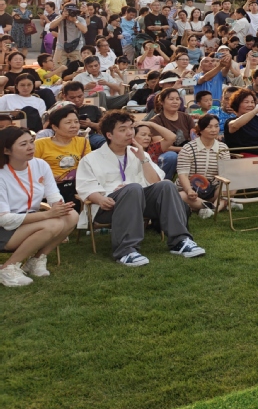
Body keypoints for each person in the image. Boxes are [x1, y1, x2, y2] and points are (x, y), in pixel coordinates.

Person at [75, 111, 205, 265]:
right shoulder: (91, 159)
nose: (129, 133)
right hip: (107, 206)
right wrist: (101, 199)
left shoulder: (138, 153)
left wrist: (143, 159)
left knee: (166, 185)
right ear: (109, 135)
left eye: (131, 128)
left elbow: (155, 181)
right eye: (123, 130)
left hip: (140, 201)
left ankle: (180, 241)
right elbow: (85, 187)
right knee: (133, 188)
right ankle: (126, 250)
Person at [0, 127, 78, 286]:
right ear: (6, 150)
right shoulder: (2, 174)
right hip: (5, 228)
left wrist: (59, 207)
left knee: (72, 216)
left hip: (29, 220)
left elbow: (53, 194)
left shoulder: (40, 164)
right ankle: (8, 269)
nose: (30, 147)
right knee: (52, 223)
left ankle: (35, 260)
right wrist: (47, 215)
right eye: (23, 144)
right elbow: (5, 220)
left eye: (31, 142)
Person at [176, 114, 228, 216]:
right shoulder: (188, 148)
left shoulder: (223, 147)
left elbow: (225, 173)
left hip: (212, 188)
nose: (214, 129)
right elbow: (183, 174)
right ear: (201, 129)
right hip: (191, 189)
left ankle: (210, 208)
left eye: (216, 126)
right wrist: (189, 190)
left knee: (231, 185)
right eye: (209, 127)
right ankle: (218, 205)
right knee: (180, 196)